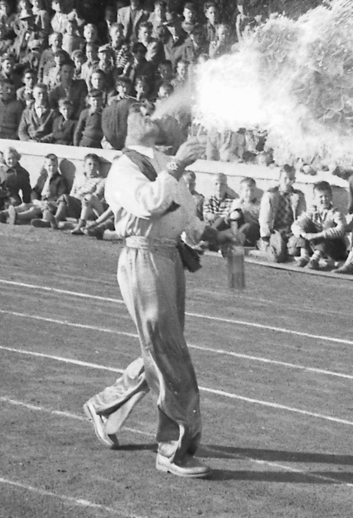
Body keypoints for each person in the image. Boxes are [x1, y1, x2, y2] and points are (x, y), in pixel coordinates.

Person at [83, 101, 227, 479]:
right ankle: (172, 449)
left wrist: (212, 234)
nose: (146, 109)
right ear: (122, 126)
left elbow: (182, 213)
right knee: (169, 352)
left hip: (167, 258)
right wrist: (178, 164)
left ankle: (107, 406)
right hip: (142, 258)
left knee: (161, 349)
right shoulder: (123, 168)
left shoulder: (163, 161)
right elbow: (149, 205)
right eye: (135, 109)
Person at [289, 181, 348, 270]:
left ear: (331, 197)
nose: (324, 199)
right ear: (314, 198)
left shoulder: (335, 212)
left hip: (333, 249)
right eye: (321, 197)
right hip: (315, 246)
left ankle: (314, 260)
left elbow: (341, 229)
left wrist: (317, 235)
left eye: (326, 196)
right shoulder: (312, 211)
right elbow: (295, 225)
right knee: (304, 224)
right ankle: (304, 256)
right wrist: (304, 234)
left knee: (328, 226)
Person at [258, 164, 306, 263]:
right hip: (275, 231)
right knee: (277, 257)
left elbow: (301, 217)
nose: (288, 182)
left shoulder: (298, 196)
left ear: (294, 180)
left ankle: (284, 247)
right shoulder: (271, 195)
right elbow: (265, 218)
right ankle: (263, 244)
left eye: (291, 179)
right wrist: (265, 236)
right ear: (279, 179)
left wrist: (298, 231)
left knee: (294, 251)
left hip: (290, 231)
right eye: (285, 178)